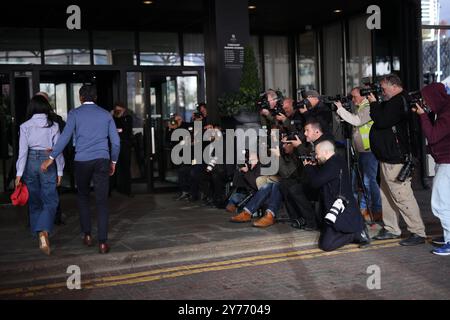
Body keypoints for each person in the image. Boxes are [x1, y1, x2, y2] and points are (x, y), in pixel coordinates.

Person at [41, 85, 120, 254]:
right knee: (102, 201)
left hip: (82, 161)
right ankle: (103, 243)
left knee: (83, 197)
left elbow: (65, 138)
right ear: (96, 97)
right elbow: (116, 142)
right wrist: (113, 161)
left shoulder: (75, 114)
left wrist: (51, 158)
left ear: (80, 97)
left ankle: (87, 235)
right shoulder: (106, 114)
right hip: (102, 160)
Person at [368, 74, 426, 246]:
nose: (381, 92)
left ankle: (418, 232)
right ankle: (392, 228)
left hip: (396, 158)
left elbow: (381, 120)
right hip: (387, 157)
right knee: (386, 195)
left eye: (383, 89)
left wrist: (373, 103)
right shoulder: (393, 101)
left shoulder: (398, 101)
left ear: (394, 86)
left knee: (402, 196)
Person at [15, 95, 65, 255]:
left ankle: (39, 234)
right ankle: (43, 231)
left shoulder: (25, 126)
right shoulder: (54, 125)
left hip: (30, 161)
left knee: (35, 200)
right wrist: (60, 170)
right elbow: (58, 151)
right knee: (51, 199)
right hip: (47, 161)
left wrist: (18, 173)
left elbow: (22, 151)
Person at [303, 140, 370, 251]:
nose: (316, 156)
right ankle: (354, 233)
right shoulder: (335, 161)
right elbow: (322, 177)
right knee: (325, 243)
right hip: (336, 210)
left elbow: (315, 182)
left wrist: (308, 168)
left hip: (342, 212)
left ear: (325, 152)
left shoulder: (332, 164)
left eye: (317, 153)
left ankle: (357, 234)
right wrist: (314, 168)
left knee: (326, 245)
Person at [334, 87, 382, 222]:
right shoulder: (360, 107)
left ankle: (376, 210)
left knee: (368, 181)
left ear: (363, 96)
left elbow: (357, 121)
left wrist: (340, 109)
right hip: (361, 151)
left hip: (369, 151)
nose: (353, 99)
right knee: (360, 182)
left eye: (354, 96)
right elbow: (351, 123)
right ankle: (362, 209)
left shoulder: (368, 107)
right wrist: (340, 114)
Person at [413, 82, 450, 255]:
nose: (425, 102)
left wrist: (422, 115)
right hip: (444, 162)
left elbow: (433, 136)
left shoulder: (447, 113)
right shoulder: (442, 110)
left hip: (447, 164)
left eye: (427, 99)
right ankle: (448, 235)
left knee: (440, 204)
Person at [111, 102, 133, 197]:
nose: (118, 112)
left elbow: (126, 129)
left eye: (120, 110)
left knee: (125, 168)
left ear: (124, 109)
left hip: (125, 146)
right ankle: (111, 189)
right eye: (117, 110)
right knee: (112, 168)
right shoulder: (112, 118)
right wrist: (113, 116)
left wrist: (119, 119)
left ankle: (127, 190)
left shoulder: (128, 118)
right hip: (114, 146)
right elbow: (111, 129)